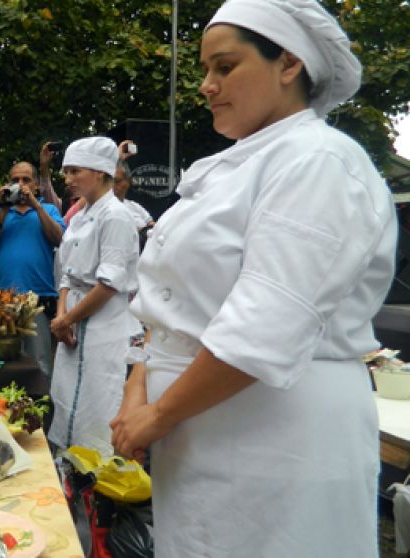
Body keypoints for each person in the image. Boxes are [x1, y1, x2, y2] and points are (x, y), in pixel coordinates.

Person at [109, 1, 396, 556]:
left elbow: (266, 325)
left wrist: (157, 415)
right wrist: (139, 385)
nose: (207, 86)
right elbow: (171, 307)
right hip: (202, 432)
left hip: (276, 440)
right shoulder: (239, 166)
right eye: (204, 71)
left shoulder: (319, 161)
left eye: (225, 66)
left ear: (288, 63)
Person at [46, 137, 139, 453]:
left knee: (96, 400)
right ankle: (65, 468)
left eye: (75, 171)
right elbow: (68, 272)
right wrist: (61, 315)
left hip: (101, 323)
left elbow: (110, 282)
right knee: (65, 392)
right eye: (65, 172)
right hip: (71, 317)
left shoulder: (115, 216)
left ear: (100, 172)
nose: (67, 179)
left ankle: (95, 478)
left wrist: (69, 317)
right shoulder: (82, 215)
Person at [0, 160, 65, 376]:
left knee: (40, 362)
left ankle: (41, 408)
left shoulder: (48, 209)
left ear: (36, 185)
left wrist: (36, 205)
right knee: (0, 361)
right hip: (2, 299)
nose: (20, 184)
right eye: (15, 180)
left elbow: (59, 239)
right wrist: (2, 210)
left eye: (26, 180)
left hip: (37, 297)